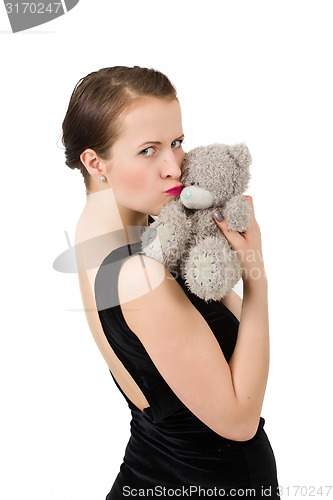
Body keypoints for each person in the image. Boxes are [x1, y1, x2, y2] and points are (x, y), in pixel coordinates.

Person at [62, 66, 280, 499]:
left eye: (177, 143)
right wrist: (256, 276)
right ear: (94, 162)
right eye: (148, 150)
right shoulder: (138, 272)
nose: (173, 168)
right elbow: (239, 420)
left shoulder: (107, 242)